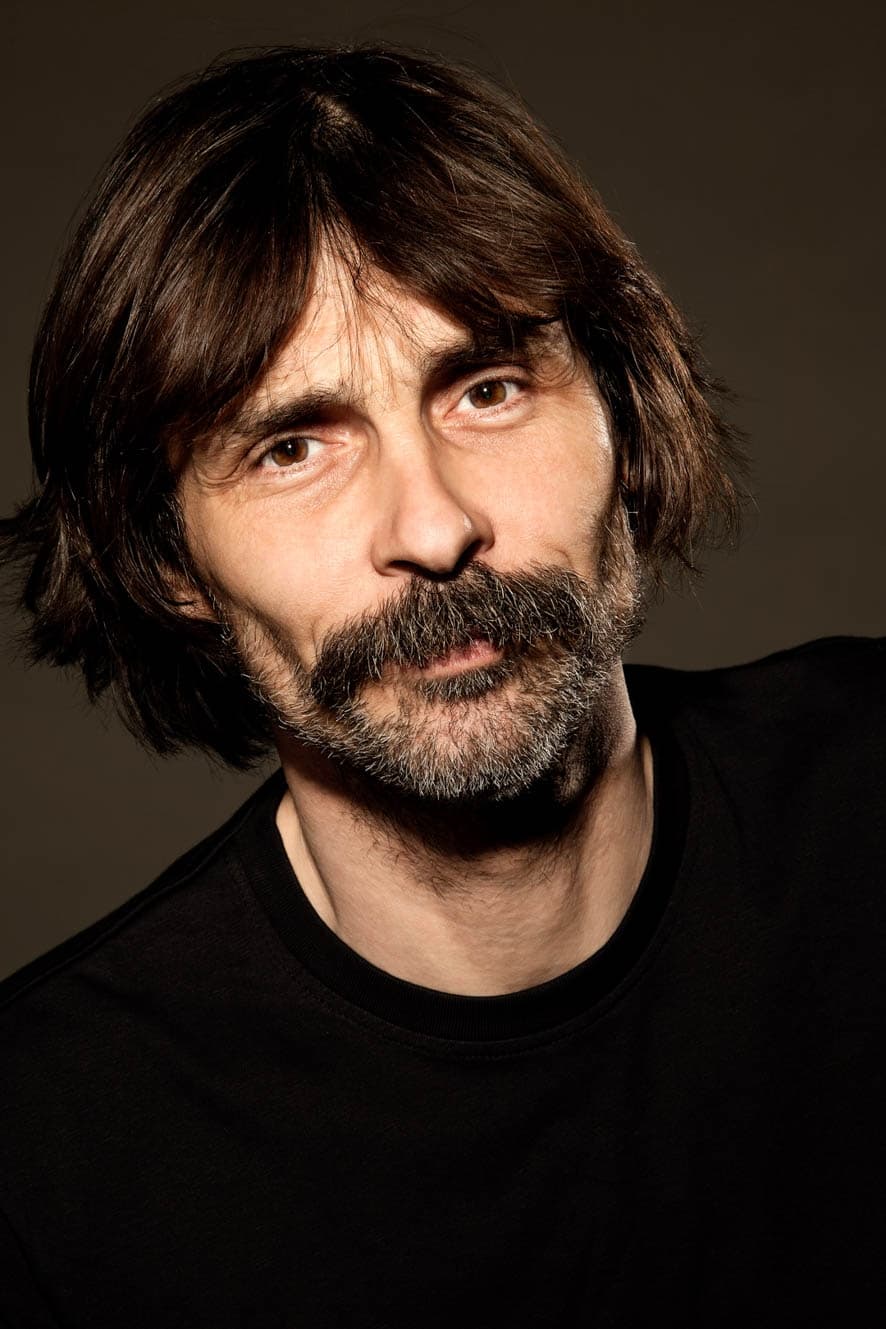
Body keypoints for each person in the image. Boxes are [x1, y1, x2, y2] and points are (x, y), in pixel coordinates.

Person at [0, 43, 882, 1328]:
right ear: (166, 558)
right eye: (291, 448)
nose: (432, 527)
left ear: (623, 408)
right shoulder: (46, 1155)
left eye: (487, 389)